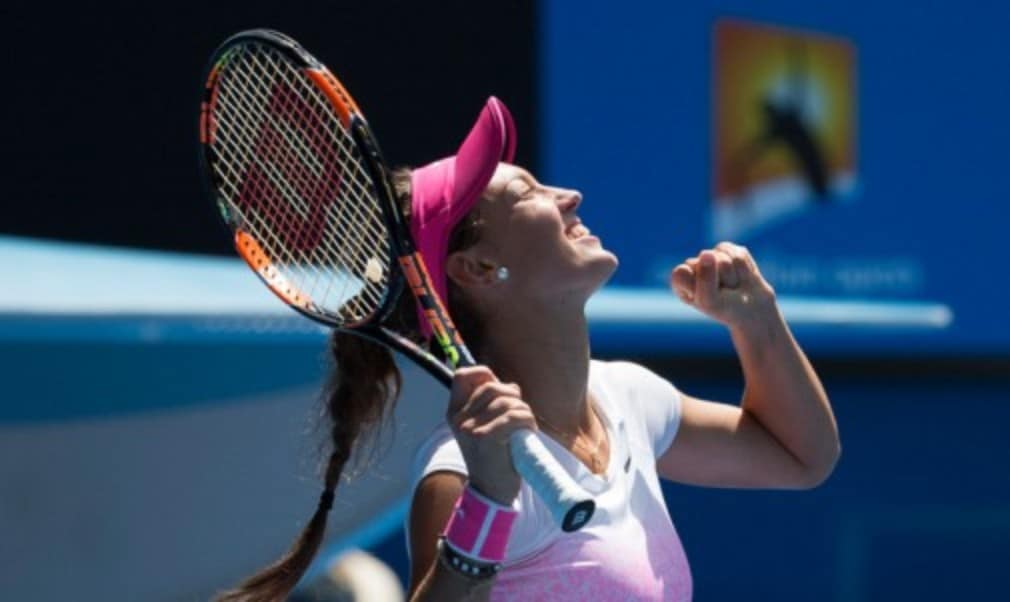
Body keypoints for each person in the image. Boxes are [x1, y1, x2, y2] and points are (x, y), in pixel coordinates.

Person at [217, 97, 840, 602]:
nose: (568, 194)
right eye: (528, 194)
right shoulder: (457, 475)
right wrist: (489, 499)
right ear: (480, 268)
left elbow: (800, 456)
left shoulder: (628, 399)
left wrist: (757, 322)